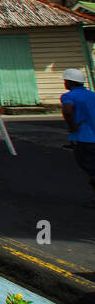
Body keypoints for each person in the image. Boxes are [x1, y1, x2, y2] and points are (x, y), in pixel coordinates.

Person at [60, 68, 95, 208]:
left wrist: (72, 126)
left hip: (83, 139)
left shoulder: (69, 96)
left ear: (69, 82)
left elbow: (68, 110)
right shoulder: (92, 95)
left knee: (91, 169)